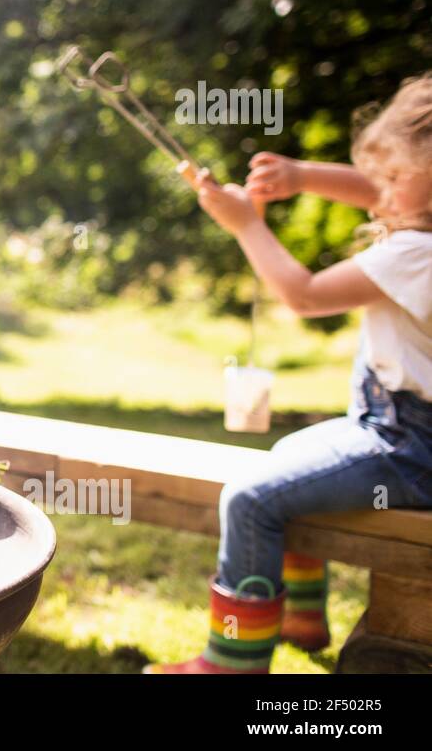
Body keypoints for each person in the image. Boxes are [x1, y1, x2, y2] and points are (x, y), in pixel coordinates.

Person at [147, 75, 432, 673]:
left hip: (407, 448)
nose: (378, 190)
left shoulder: (414, 254)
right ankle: (301, 616)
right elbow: (383, 189)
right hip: (397, 429)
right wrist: (301, 176)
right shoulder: (419, 224)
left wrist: (246, 224)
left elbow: (302, 295)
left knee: (250, 498)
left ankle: (231, 663)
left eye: (395, 177)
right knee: (288, 458)